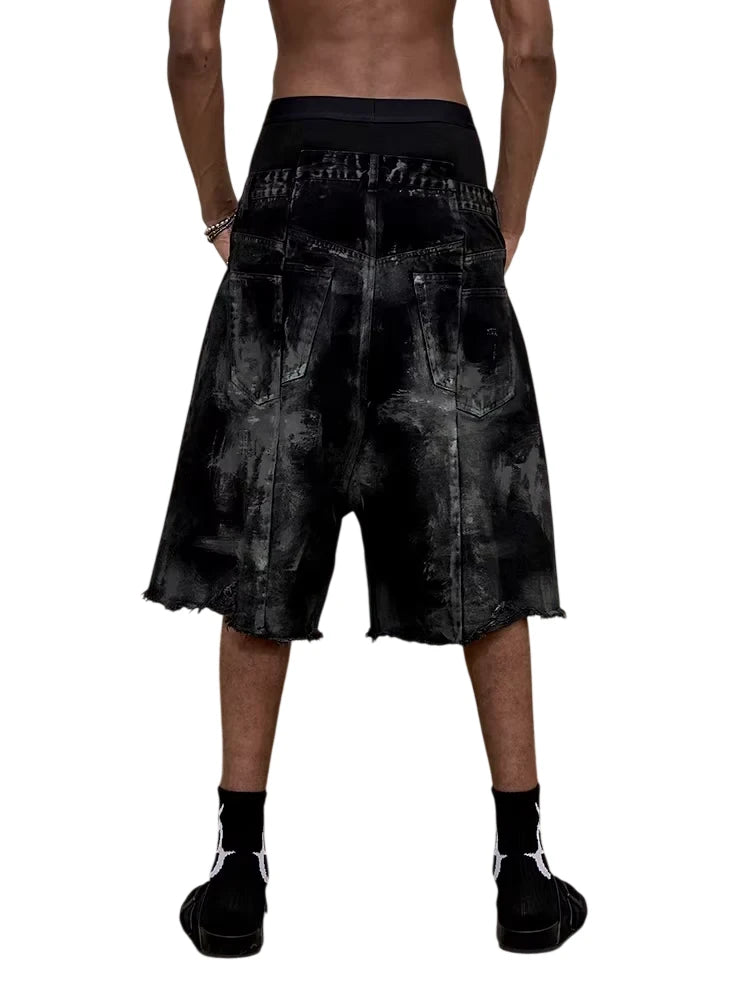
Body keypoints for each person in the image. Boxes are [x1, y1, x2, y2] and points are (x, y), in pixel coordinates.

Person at [145, 0, 586, 957]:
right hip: (443, 177)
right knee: (479, 529)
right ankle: (522, 868)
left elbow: (191, 44)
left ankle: (237, 868)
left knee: (264, 530)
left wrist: (220, 208)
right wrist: (505, 215)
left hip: (294, 179)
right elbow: (531, 49)